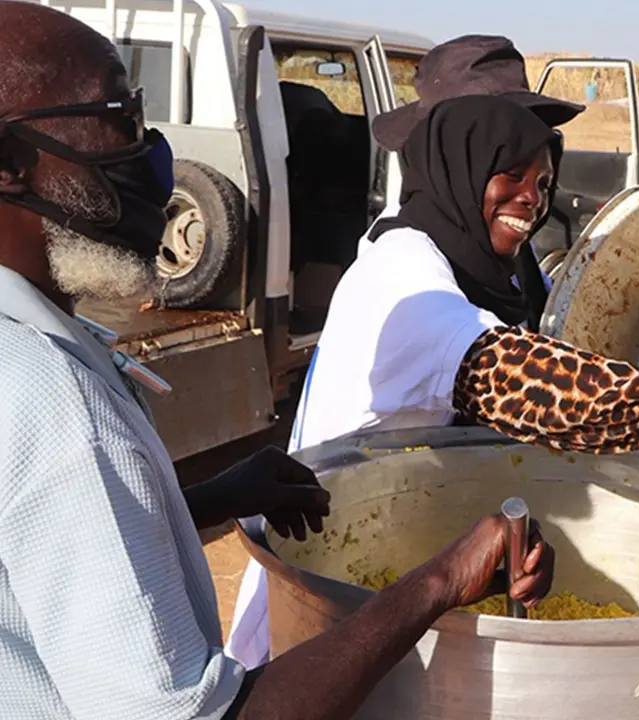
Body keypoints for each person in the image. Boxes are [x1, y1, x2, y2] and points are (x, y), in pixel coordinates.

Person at [0, 5, 553, 717]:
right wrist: (440, 581)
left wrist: (204, 500)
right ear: (10, 164)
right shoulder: (56, 405)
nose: (156, 153)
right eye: (124, 120)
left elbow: (38, 547)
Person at [226, 92, 639, 666]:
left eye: (542, 184)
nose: (531, 200)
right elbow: (518, 379)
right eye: (511, 176)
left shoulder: (482, 264)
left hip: (409, 551)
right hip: (330, 578)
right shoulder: (401, 272)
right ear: (461, 171)